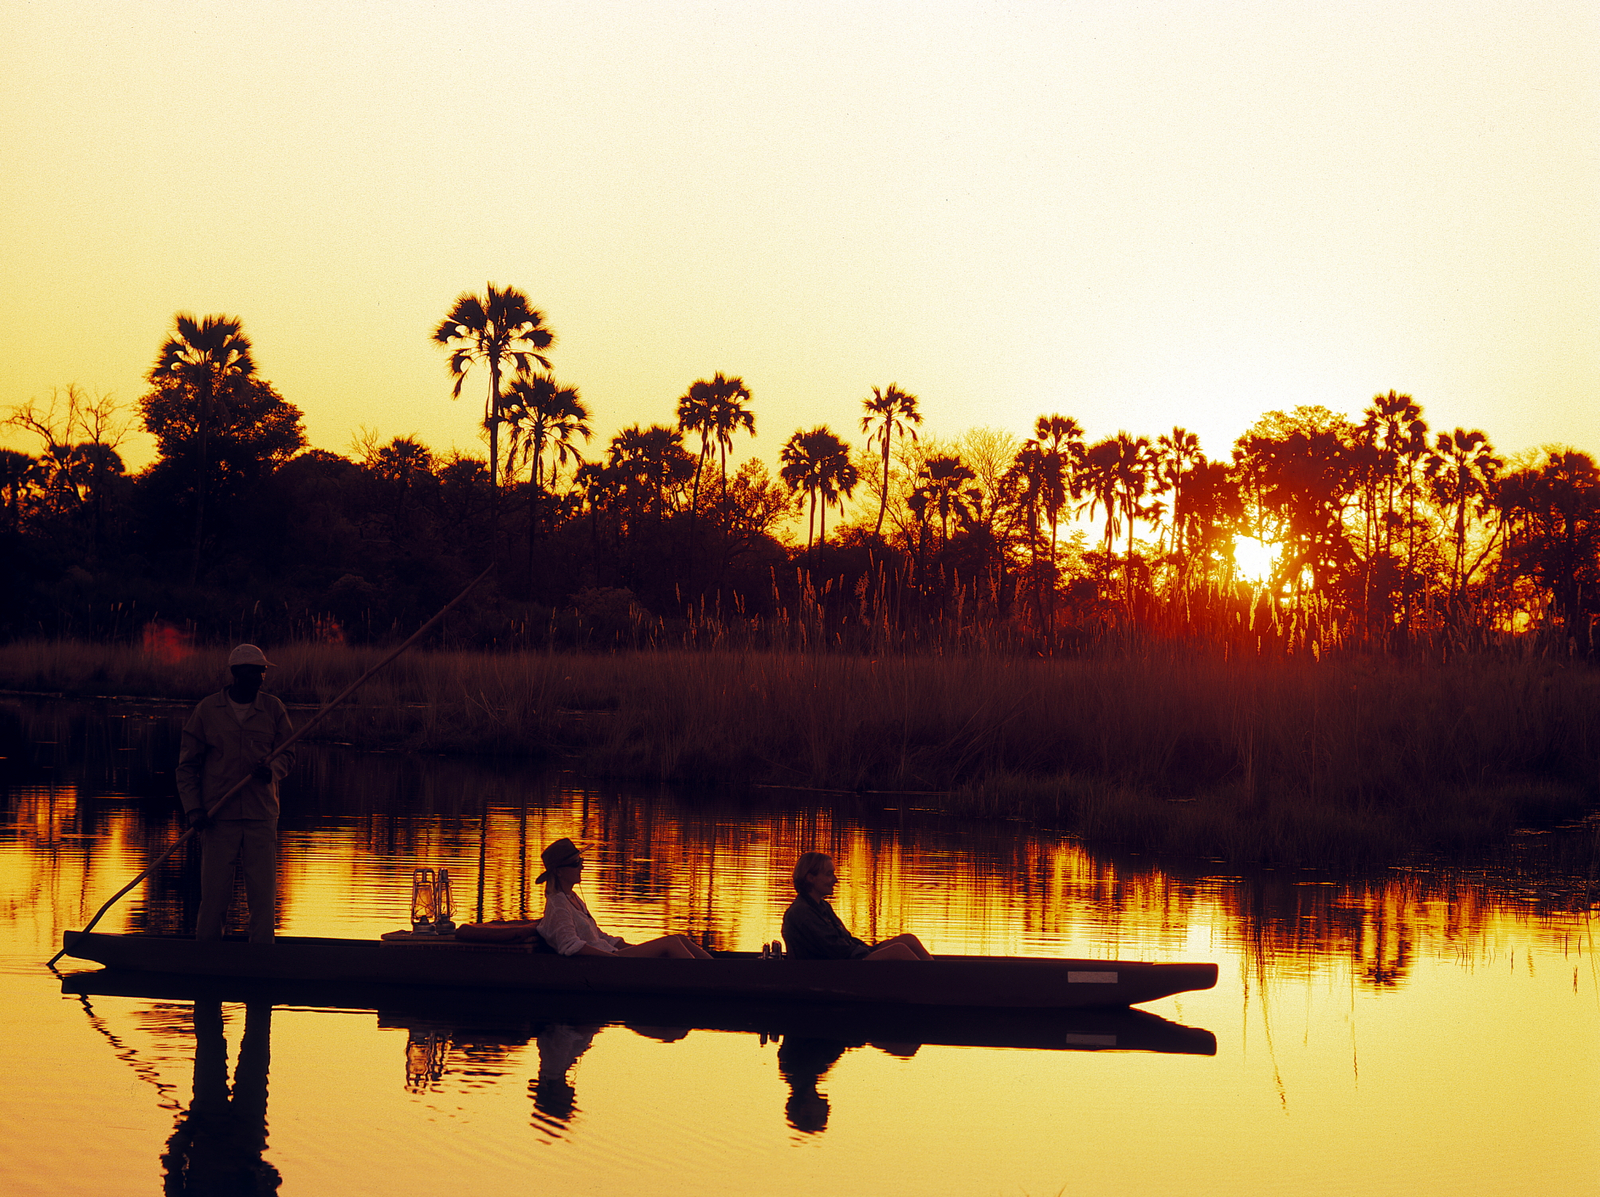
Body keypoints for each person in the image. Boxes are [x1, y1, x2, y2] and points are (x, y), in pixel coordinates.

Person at [177, 644, 295, 943]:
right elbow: (187, 766)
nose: (260, 677)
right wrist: (194, 809)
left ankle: (261, 957)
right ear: (236, 673)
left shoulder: (273, 709)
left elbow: (288, 754)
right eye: (254, 671)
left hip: (261, 815)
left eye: (262, 671)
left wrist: (271, 771)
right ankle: (206, 955)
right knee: (214, 895)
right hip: (218, 816)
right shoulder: (207, 710)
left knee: (263, 896)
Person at [534, 838, 713, 959]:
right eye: (575, 863)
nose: (581, 867)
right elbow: (570, 945)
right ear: (558, 872)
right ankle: (706, 980)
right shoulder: (558, 904)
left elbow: (598, 936)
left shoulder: (572, 898)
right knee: (671, 943)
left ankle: (716, 970)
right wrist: (614, 957)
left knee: (679, 938)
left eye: (581, 861)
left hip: (613, 954)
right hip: (607, 963)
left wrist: (631, 948)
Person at [782, 851, 932, 961]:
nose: (835, 880)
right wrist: (868, 954)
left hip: (851, 957)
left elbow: (845, 939)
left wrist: (868, 950)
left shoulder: (822, 906)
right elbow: (834, 949)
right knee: (899, 950)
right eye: (829, 874)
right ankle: (932, 984)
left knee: (908, 940)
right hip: (834, 969)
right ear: (810, 878)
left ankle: (936, 976)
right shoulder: (801, 912)